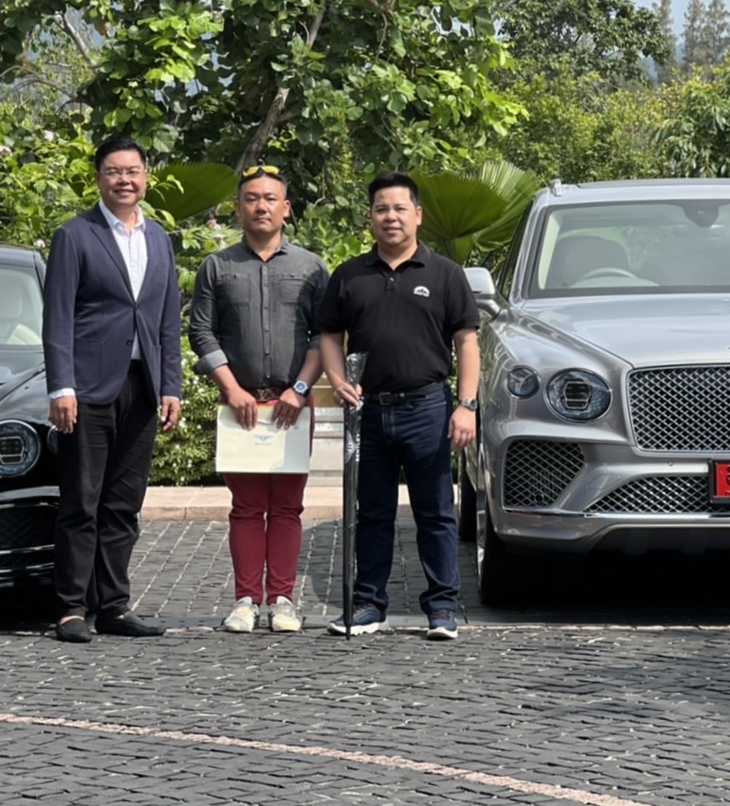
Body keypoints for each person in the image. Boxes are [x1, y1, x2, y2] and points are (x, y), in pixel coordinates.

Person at [319, 171, 480, 641]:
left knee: (436, 512)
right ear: (370, 216)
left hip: (428, 408)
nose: (390, 217)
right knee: (372, 512)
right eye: (381, 209)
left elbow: (467, 342)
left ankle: (443, 607)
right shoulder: (350, 275)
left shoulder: (445, 274)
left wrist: (466, 405)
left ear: (418, 215)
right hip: (368, 411)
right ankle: (369, 604)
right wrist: (337, 379)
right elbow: (329, 335)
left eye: (399, 208)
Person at [43, 137, 182, 643]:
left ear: (146, 176)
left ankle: (114, 607)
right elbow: (57, 317)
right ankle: (70, 608)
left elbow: (167, 318)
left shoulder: (158, 238)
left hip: (142, 387)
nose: (125, 180)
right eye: (114, 171)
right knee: (81, 501)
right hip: (87, 388)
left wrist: (171, 385)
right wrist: (61, 387)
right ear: (99, 178)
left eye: (133, 171)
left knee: (124, 503)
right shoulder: (75, 235)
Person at [189, 164, 329, 634]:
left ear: (286, 208)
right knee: (246, 507)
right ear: (238, 208)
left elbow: (324, 336)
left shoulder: (311, 267)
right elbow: (201, 331)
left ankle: (283, 600)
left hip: (292, 405)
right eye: (251, 198)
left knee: (288, 506)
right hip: (240, 406)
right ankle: (246, 600)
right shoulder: (217, 266)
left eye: (270, 199)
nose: (261, 206)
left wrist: (301, 389)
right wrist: (230, 388)